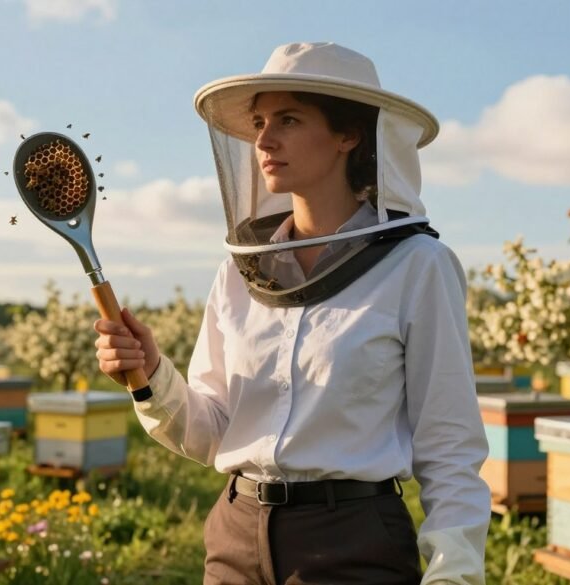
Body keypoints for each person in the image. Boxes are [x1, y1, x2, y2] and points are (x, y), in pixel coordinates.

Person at [94, 42, 490, 585]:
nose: (263, 139)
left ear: (348, 135)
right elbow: (212, 435)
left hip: (354, 543)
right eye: (259, 121)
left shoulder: (418, 266)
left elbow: (450, 449)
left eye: (288, 119)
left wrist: (454, 575)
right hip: (234, 536)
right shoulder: (239, 272)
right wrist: (149, 375)